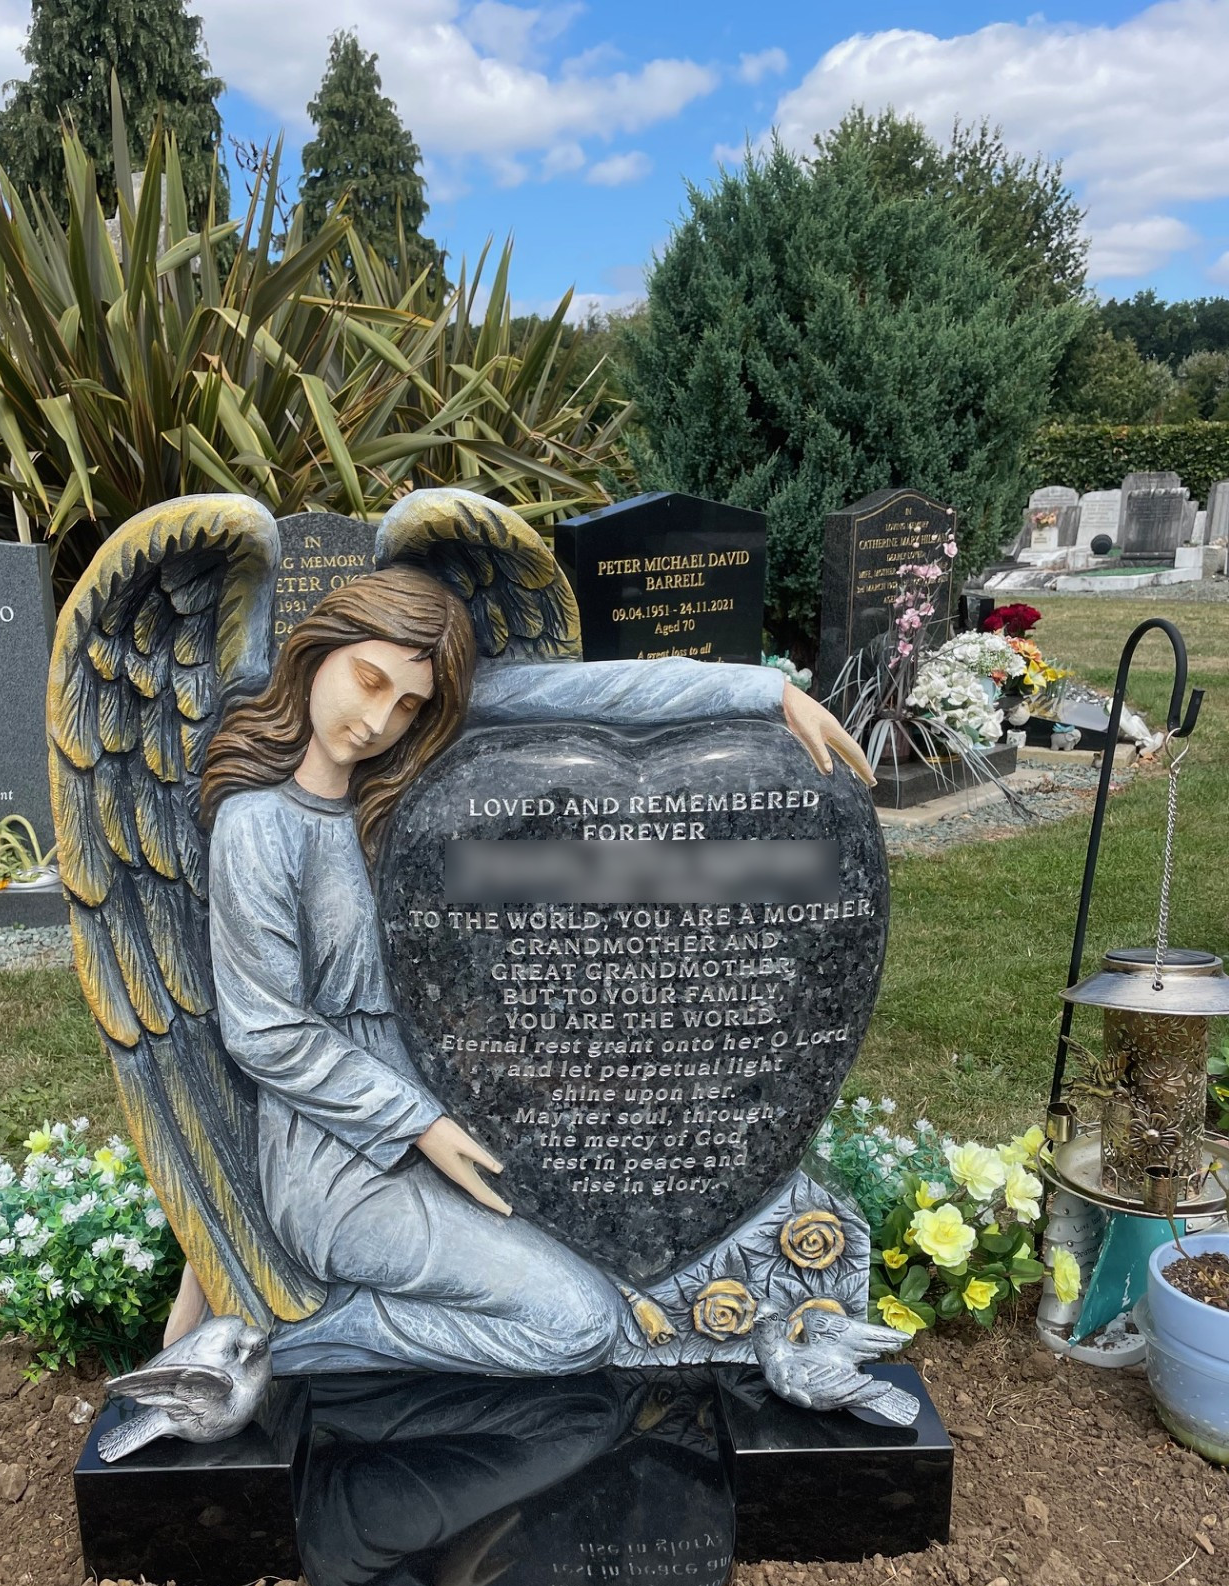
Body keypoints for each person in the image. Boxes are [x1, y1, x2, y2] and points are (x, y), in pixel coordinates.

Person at [199, 566, 871, 1373]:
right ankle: (269, 1353)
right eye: (368, 680)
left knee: (587, 1290)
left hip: (457, 1122)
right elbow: (265, 1032)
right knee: (578, 1326)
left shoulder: (399, 784)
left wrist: (765, 694)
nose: (378, 720)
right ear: (317, 656)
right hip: (344, 1166)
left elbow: (590, 693)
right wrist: (420, 1125)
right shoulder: (257, 825)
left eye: (408, 704)